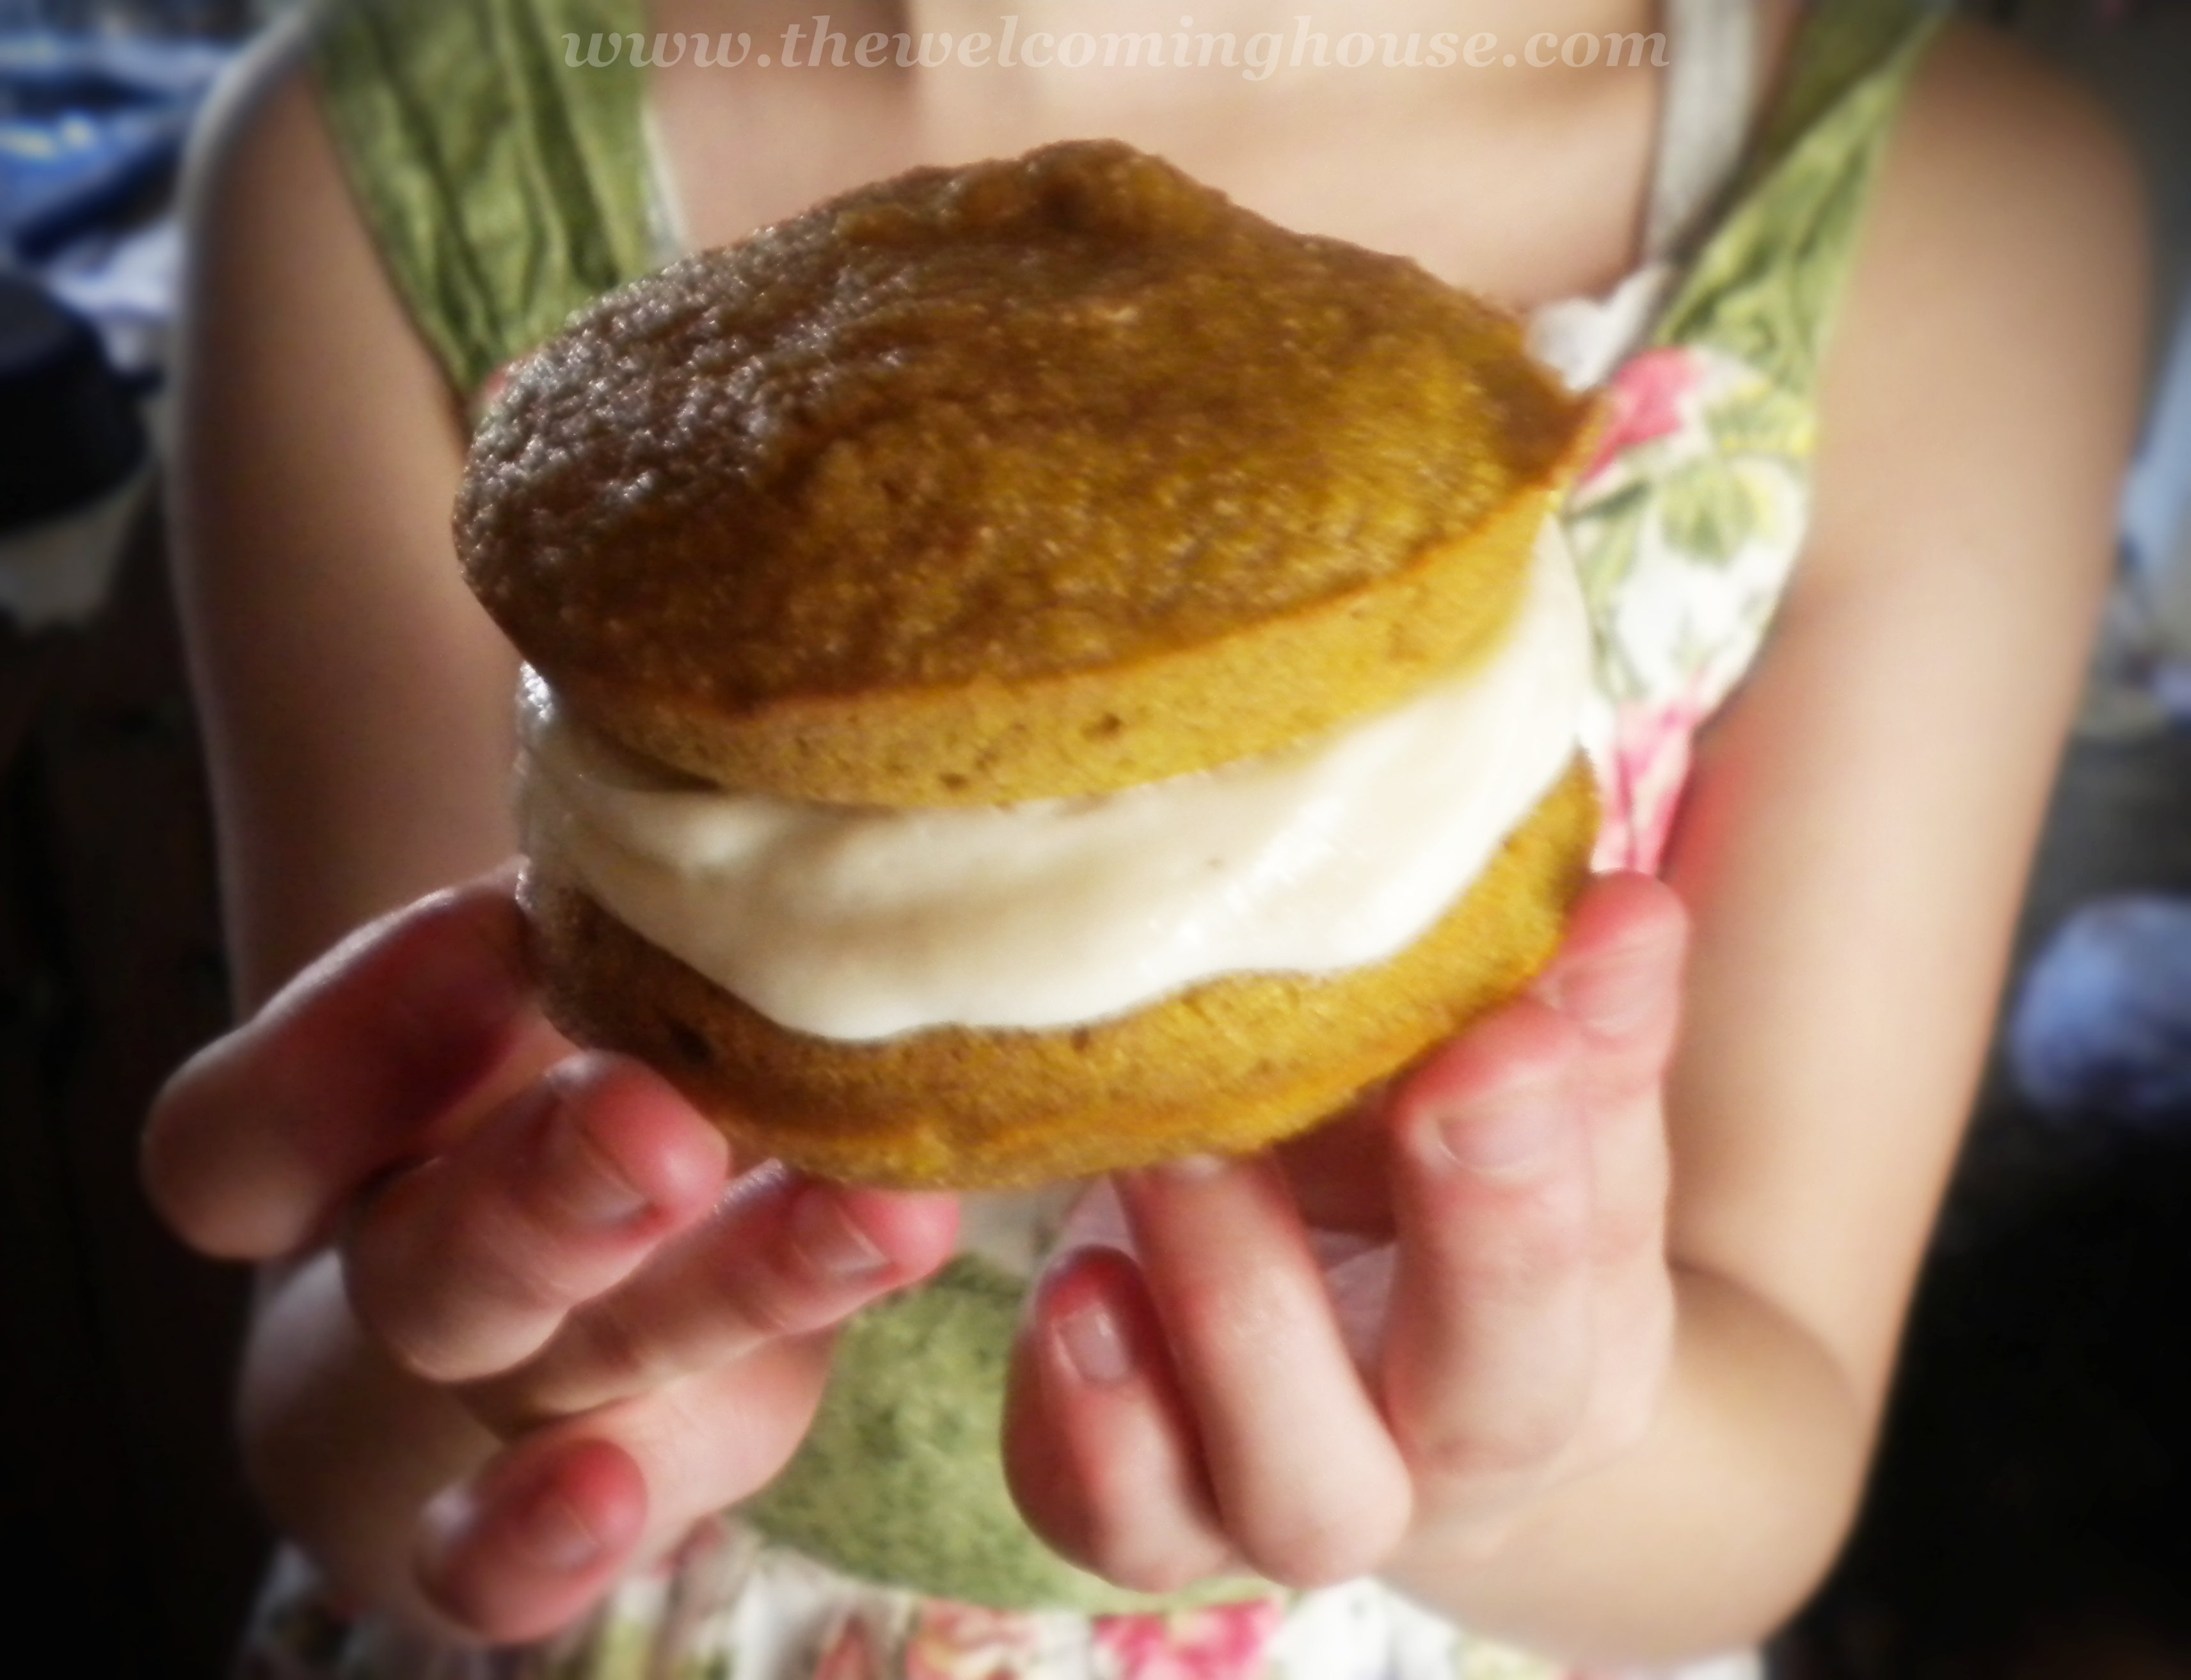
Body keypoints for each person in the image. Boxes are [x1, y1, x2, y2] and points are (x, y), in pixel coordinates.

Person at [143, 0, 2147, 1675]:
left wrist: (1511, 1452)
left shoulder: (1965, 223)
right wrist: (475, 1365)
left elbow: (1762, 1456)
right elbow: (334, 1433)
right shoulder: (374, 159)